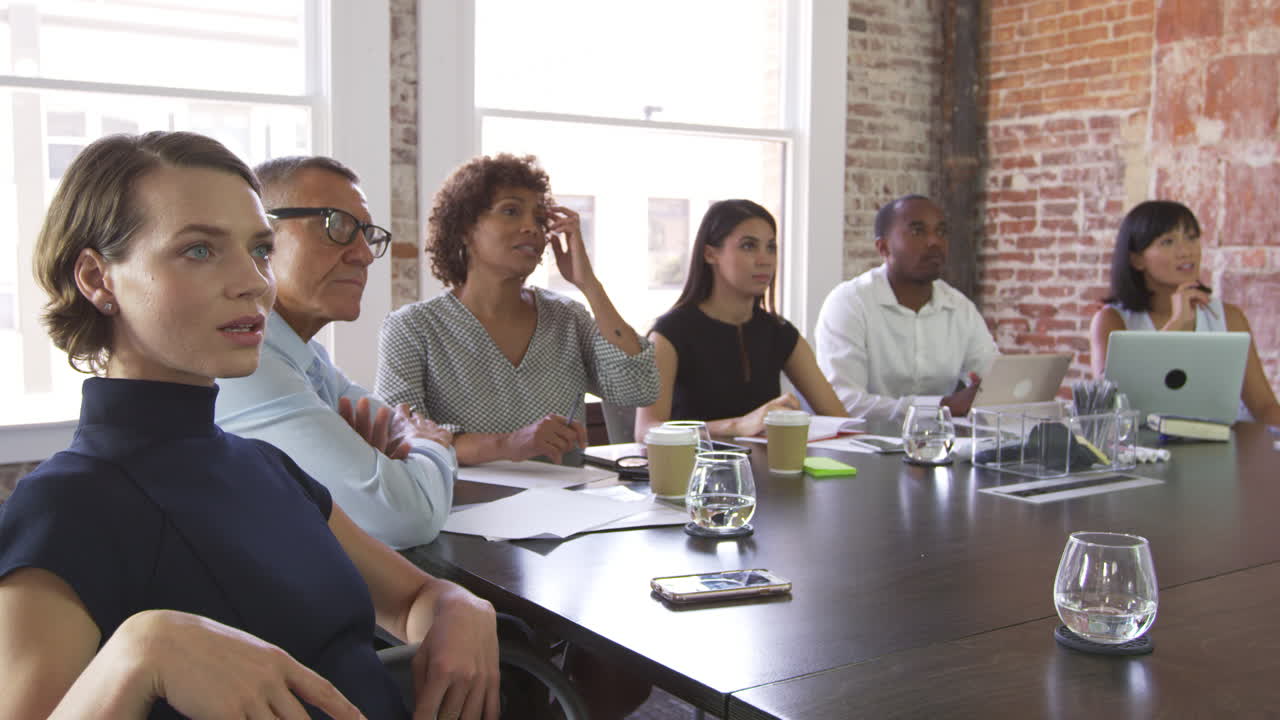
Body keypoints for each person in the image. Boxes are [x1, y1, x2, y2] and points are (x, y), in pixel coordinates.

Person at [0, 131, 499, 719]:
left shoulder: (265, 467)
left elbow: (416, 594)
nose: (254, 284)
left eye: (259, 250)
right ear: (96, 278)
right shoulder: (62, 510)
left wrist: (458, 605)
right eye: (199, 251)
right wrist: (139, 655)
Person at [215, 156, 456, 550]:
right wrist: (434, 446)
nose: (363, 254)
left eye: (365, 234)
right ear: (260, 239)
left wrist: (411, 455)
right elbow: (407, 516)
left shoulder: (308, 356)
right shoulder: (245, 363)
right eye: (337, 225)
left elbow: (399, 435)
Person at [375, 153, 660, 465]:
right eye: (511, 211)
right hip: (467, 509)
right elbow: (400, 439)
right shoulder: (413, 328)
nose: (531, 228)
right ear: (465, 229)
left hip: (571, 506)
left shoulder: (568, 317)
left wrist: (588, 284)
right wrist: (509, 444)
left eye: (540, 218)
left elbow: (639, 390)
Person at [634, 199, 846, 440]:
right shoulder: (670, 334)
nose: (765, 260)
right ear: (710, 254)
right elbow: (645, 430)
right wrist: (737, 425)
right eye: (748, 246)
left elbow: (841, 422)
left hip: (766, 473)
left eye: (771, 247)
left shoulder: (779, 332)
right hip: (692, 472)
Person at [1089, 200, 1280, 425]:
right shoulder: (1111, 320)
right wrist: (1176, 325)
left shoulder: (1228, 317)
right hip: (1142, 452)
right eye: (1168, 241)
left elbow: (1264, 406)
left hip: (1222, 448)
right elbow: (1110, 406)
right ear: (1137, 259)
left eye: (1191, 238)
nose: (1186, 251)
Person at [814, 194, 998, 421]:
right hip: (862, 446)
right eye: (918, 231)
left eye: (941, 232)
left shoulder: (960, 307)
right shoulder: (850, 303)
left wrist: (987, 392)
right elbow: (842, 401)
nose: (934, 242)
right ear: (883, 248)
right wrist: (940, 406)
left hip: (942, 447)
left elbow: (994, 378)